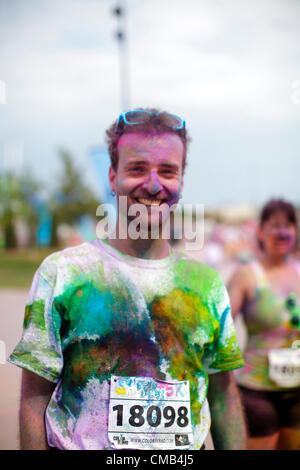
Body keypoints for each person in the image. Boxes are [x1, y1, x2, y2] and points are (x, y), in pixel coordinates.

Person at [8, 108, 246, 450]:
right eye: (137, 169)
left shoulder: (207, 286)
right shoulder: (63, 274)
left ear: (181, 181)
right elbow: (34, 399)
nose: (153, 184)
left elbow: (223, 397)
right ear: (112, 176)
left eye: (168, 171)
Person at [228, 199, 300, 450]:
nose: (282, 232)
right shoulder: (247, 275)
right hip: (256, 391)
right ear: (261, 232)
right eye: (275, 225)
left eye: (289, 225)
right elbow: (222, 328)